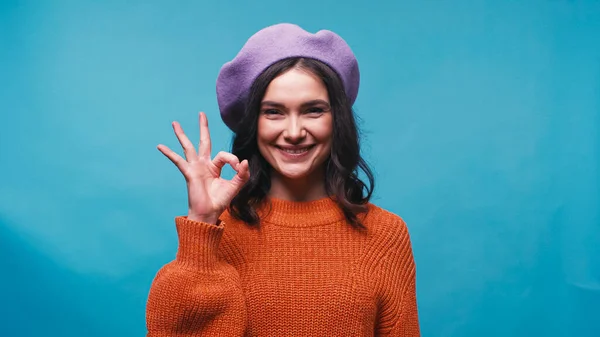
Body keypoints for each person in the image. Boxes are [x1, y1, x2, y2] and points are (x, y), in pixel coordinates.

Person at [146, 23, 420, 336]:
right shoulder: (218, 230)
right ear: (254, 124)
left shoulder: (386, 234)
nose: (293, 132)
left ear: (337, 119)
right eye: (274, 112)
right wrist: (202, 222)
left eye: (313, 110)